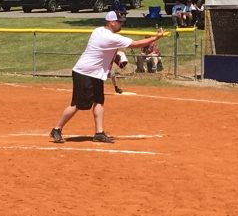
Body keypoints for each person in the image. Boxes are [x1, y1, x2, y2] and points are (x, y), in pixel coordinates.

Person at [50, 11, 164, 143]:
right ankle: (56, 129)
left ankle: (99, 132)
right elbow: (136, 44)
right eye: (119, 22)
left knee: (99, 101)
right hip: (84, 72)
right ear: (111, 22)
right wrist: (156, 37)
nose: (122, 24)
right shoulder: (110, 37)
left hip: (96, 74)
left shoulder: (98, 30)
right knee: (78, 104)